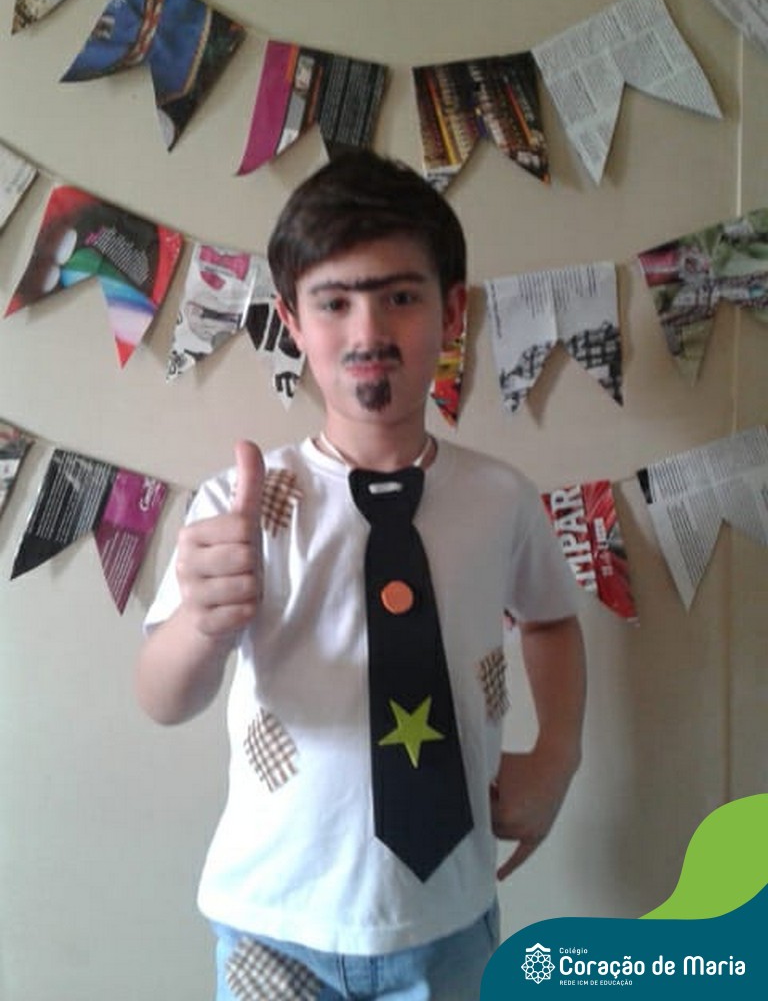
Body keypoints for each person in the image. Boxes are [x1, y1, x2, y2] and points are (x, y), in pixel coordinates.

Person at [136, 150, 586, 1001]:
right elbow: (162, 698)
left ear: (453, 311)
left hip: (451, 923)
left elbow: (552, 620)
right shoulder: (237, 504)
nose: (369, 332)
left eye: (401, 297)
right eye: (334, 302)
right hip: (274, 926)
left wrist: (557, 754)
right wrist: (200, 621)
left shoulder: (500, 498)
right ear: (292, 321)